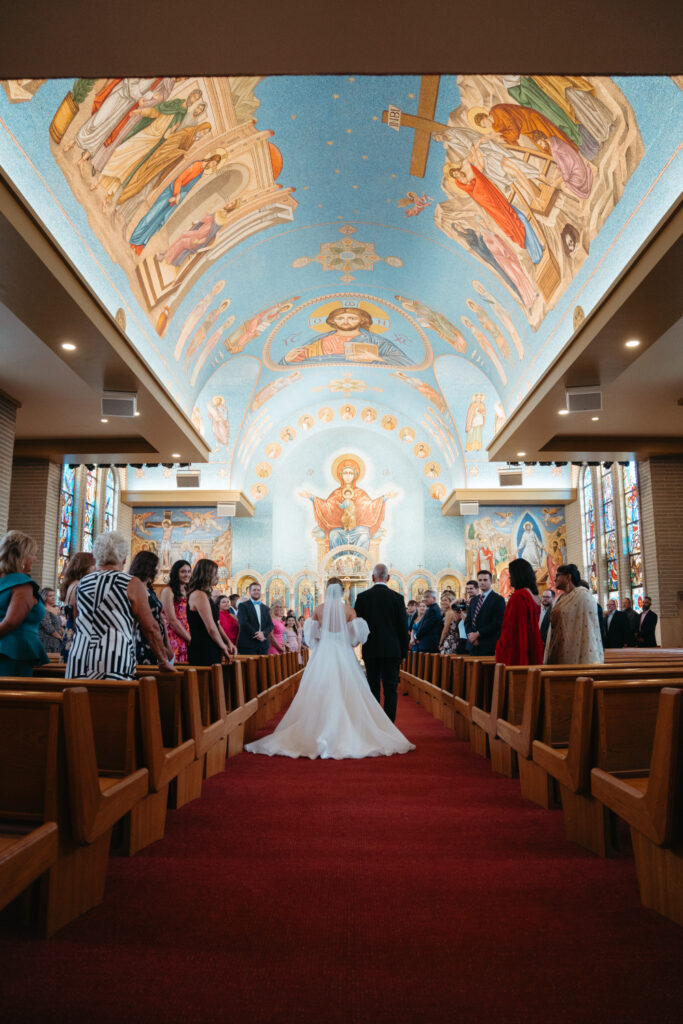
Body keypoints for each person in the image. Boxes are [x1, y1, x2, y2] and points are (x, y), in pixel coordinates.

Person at [246, 579, 414, 758]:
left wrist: (324, 639)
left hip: (323, 653)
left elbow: (311, 637)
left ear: (327, 591)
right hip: (343, 653)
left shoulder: (319, 609)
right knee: (348, 688)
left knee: (320, 687)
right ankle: (352, 728)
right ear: (342, 592)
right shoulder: (349, 610)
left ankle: (316, 727)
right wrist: (347, 641)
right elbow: (357, 637)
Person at [66, 531, 173, 679]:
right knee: (114, 701)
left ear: (97, 555)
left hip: (79, 657)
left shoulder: (83, 582)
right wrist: (163, 660)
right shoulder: (131, 583)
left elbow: (77, 619)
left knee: (78, 701)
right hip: (114, 658)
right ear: (123, 558)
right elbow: (150, 627)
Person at [354, 564, 410, 723]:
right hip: (392, 650)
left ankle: (375, 724)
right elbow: (402, 628)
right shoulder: (397, 598)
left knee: (373, 687)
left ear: (372, 578)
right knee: (391, 688)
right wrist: (404, 652)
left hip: (370, 650)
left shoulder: (362, 597)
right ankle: (389, 724)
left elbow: (357, 625)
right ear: (388, 577)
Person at [0, 530, 48, 676]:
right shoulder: (22, 584)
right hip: (13, 651)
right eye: (32, 554)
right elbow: (11, 622)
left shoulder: (3, 580)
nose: (34, 558)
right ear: (21, 557)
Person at [544, 564, 604, 665]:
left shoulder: (583, 596)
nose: (555, 579)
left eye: (558, 575)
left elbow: (588, 629)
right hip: (558, 649)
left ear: (568, 577)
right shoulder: (560, 598)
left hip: (576, 649)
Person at [495, 558, 545, 666]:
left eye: (511, 573)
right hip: (532, 646)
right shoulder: (534, 595)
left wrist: (500, 647)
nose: (509, 577)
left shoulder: (519, 596)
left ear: (518, 575)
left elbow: (510, 631)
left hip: (519, 652)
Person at [186, 559, 236, 665]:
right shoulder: (199, 595)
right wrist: (223, 646)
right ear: (206, 574)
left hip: (210, 644)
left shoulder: (205, 595)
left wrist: (227, 642)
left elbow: (216, 623)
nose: (217, 577)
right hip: (203, 647)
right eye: (215, 573)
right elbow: (211, 627)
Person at [129, 550, 174, 665]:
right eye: (156, 566)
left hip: (157, 640)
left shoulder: (149, 589)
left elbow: (159, 618)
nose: (157, 569)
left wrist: (166, 644)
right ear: (147, 567)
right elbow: (147, 624)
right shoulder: (135, 587)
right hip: (144, 641)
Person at [59, 550, 95, 660]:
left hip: (68, 632)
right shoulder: (80, 586)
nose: (96, 568)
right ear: (86, 567)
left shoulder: (71, 584)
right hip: (77, 633)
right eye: (93, 565)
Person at [464, 571, 506, 655]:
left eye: (485, 580)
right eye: (480, 580)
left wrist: (478, 634)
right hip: (472, 644)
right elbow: (468, 621)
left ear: (491, 581)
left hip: (487, 644)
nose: (482, 582)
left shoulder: (498, 599)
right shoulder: (474, 600)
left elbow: (497, 622)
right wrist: (471, 636)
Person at [160, 559, 192, 664]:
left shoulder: (189, 591)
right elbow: (172, 620)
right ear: (176, 573)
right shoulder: (168, 591)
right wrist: (190, 639)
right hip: (174, 634)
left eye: (188, 571)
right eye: (183, 572)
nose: (186, 574)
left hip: (188, 632)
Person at [237, 581, 274, 655]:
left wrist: (264, 634)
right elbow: (243, 622)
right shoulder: (243, 606)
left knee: (263, 666)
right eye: (254, 590)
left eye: (258, 590)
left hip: (263, 644)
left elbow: (270, 625)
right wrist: (257, 634)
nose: (256, 592)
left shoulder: (265, 608)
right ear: (250, 592)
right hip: (248, 644)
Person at [38, 586, 64, 655]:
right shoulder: (42, 609)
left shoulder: (56, 609)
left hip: (57, 641)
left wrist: (65, 635)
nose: (53, 597)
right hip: (46, 640)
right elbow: (47, 626)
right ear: (44, 597)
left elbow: (59, 625)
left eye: (54, 595)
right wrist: (60, 637)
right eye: (50, 596)